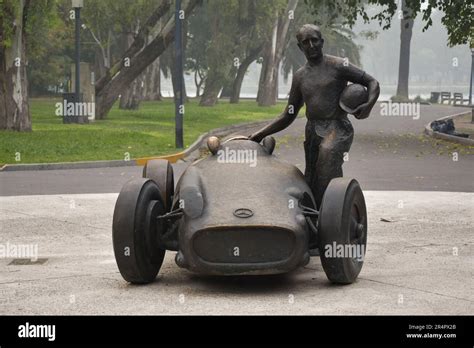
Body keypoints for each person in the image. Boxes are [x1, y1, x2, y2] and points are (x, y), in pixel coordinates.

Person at [249, 24, 380, 208]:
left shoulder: (338, 65)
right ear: (300, 46)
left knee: (327, 160)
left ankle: (331, 215)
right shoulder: (300, 77)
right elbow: (288, 114)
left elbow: (372, 81)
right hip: (312, 130)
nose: (311, 45)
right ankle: (316, 217)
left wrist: (368, 105)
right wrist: (259, 134)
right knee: (312, 177)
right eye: (306, 42)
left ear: (322, 42)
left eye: (314, 40)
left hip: (337, 128)